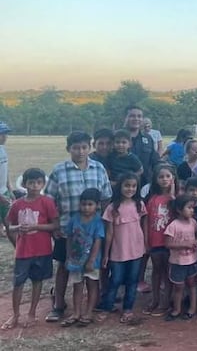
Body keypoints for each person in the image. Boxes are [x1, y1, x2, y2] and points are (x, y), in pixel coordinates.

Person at [45, 131, 112, 323]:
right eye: (75, 147)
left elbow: (106, 197)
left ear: (89, 148)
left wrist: (106, 225)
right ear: (68, 149)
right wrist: (55, 224)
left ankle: (91, 307)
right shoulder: (59, 171)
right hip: (67, 229)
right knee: (64, 267)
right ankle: (58, 305)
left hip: (92, 232)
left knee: (93, 270)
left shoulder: (98, 168)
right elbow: (50, 200)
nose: (80, 151)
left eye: (84, 147)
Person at [2, 168, 58, 330]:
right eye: (31, 182)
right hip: (23, 251)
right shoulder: (17, 204)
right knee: (18, 283)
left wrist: (36, 226)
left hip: (42, 250)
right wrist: (18, 227)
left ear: (43, 183)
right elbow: (8, 227)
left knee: (37, 281)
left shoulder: (47, 202)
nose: (35, 186)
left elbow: (54, 224)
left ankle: (32, 313)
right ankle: (15, 314)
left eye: (38, 182)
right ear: (24, 184)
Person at [101, 173, 146, 324]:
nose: (130, 189)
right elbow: (109, 233)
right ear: (119, 187)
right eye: (127, 185)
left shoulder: (139, 205)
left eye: (133, 186)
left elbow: (143, 225)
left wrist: (145, 243)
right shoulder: (112, 208)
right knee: (115, 280)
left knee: (132, 281)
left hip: (136, 250)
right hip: (118, 251)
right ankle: (107, 307)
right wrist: (106, 253)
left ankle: (128, 309)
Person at [60, 188, 103, 328]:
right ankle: (76, 312)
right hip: (75, 260)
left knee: (92, 285)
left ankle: (89, 312)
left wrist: (91, 260)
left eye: (90, 204)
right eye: (83, 204)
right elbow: (69, 238)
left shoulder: (98, 221)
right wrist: (67, 257)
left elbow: (98, 241)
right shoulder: (74, 219)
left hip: (92, 261)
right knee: (77, 286)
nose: (86, 207)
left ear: (97, 205)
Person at [142, 165, 176, 316]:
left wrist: (174, 194)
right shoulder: (152, 199)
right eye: (161, 177)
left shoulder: (175, 199)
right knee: (156, 270)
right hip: (155, 240)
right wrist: (146, 240)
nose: (164, 179)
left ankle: (166, 300)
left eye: (168, 176)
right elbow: (146, 220)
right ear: (156, 180)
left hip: (170, 242)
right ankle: (155, 298)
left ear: (173, 178)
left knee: (168, 271)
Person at [163, 194, 197, 321]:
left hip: (191, 260)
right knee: (178, 286)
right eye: (189, 207)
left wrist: (196, 244)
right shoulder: (173, 225)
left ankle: (192, 308)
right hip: (177, 262)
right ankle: (177, 309)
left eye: (192, 208)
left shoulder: (193, 223)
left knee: (192, 284)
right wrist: (185, 244)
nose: (192, 210)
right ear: (179, 209)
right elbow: (167, 243)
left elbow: (196, 237)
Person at [124, 106, 160, 187]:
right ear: (125, 118)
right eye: (132, 116)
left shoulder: (148, 138)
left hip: (144, 185)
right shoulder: (117, 138)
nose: (136, 119)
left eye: (139, 116)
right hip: (122, 186)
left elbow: (155, 161)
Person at [0, 122, 12, 238]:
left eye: (5, 134)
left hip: (3, 190)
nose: (5, 137)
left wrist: (9, 188)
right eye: (1, 134)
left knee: (7, 216)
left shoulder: (2, 149)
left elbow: (5, 169)